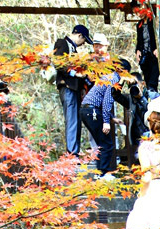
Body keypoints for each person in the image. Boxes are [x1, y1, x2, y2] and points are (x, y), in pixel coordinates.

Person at [80, 43, 120, 177]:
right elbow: (107, 100)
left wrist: (111, 118)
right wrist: (106, 122)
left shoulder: (106, 77)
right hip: (92, 111)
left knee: (101, 143)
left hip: (86, 110)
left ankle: (100, 173)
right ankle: (103, 174)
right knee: (106, 144)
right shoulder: (114, 78)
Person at [53, 23, 92, 155]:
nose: (83, 43)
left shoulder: (72, 49)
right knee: (71, 119)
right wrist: (75, 74)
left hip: (75, 88)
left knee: (76, 119)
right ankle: (71, 153)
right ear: (79, 35)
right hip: (67, 86)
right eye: (84, 40)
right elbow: (58, 64)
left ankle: (74, 151)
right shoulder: (62, 43)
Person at [135, 12, 159, 91]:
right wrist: (137, 50)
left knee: (153, 81)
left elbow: (159, 36)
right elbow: (139, 40)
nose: (139, 14)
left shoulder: (154, 21)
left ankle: (153, 94)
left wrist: (157, 48)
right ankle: (149, 95)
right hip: (145, 55)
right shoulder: (139, 24)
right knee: (147, 79)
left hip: (154, 54)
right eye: (136, 12)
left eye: (139, 11)